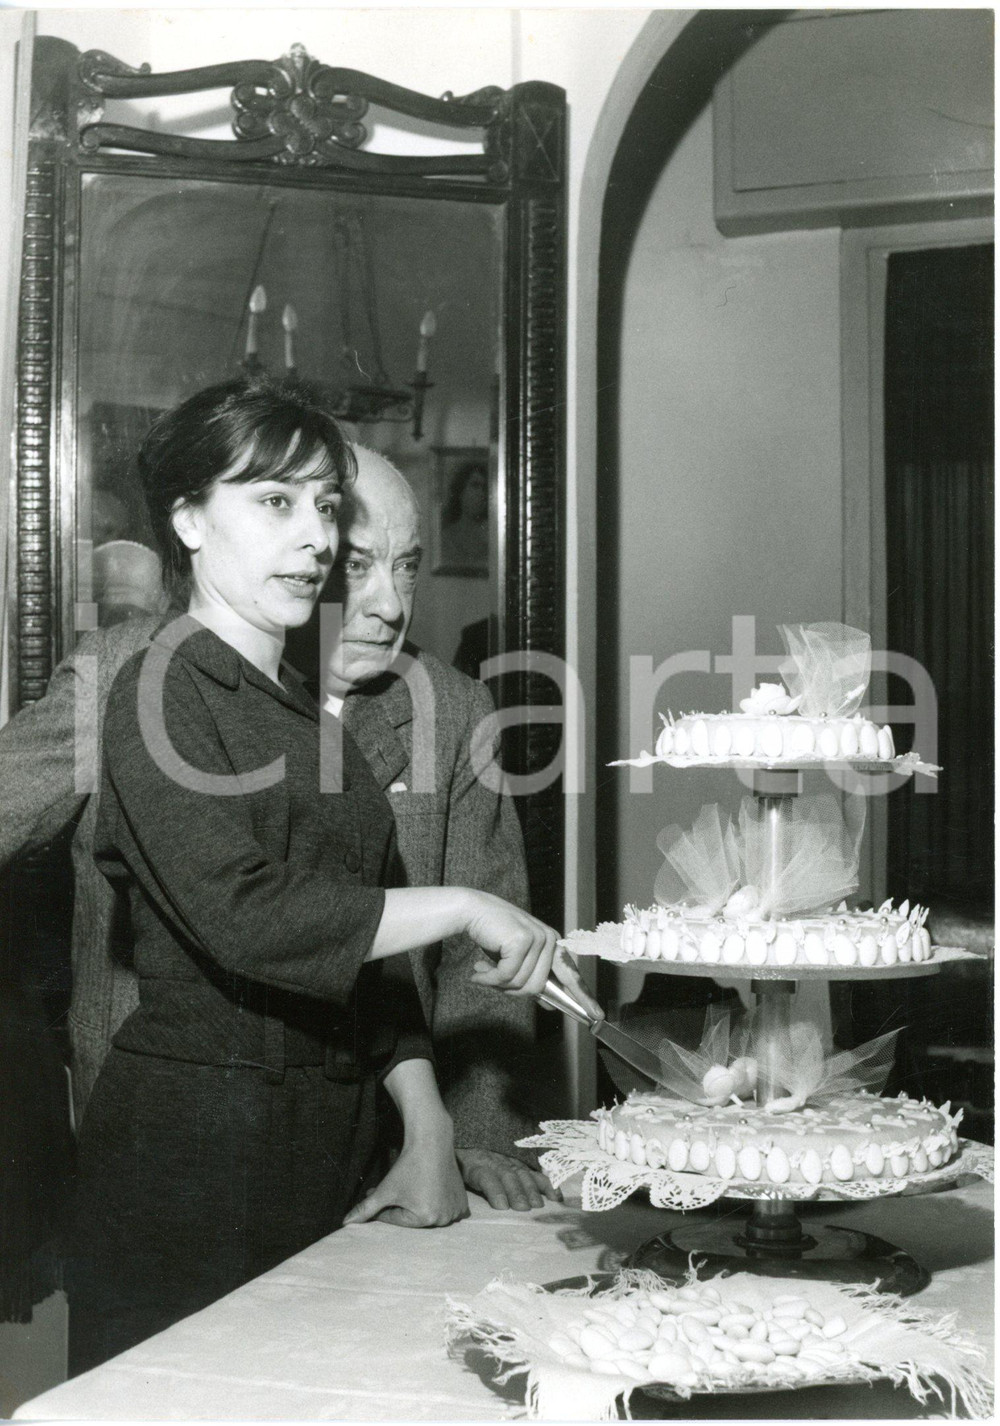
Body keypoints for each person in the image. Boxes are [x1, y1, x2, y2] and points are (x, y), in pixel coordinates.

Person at [67, 376, 564, 1373]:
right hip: (193, 1149)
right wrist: (466, 904)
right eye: (274, 502)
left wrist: (424, 1113)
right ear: (189, 520)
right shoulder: (156, 688)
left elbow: (363, 962)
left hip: (327, 1138)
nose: (314, 537)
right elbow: (250, 919)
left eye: (324, 508)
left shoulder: (301, 710)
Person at [0, 456, 575, 1214]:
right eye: (360, 566)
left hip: (379, 1162)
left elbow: (482, 970)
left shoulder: (452, 710)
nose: (390, 605)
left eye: (407, 569)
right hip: (167, 1158)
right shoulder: (124, 676)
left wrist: (473, 1141)